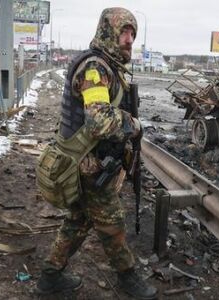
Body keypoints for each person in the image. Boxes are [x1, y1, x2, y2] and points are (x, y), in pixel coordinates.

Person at [36, 7, 158, 300]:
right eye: (123, 32)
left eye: (132, 33)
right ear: (108, 32)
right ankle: (128, 277)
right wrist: (135, 124)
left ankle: (50, 276)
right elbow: (99, 120)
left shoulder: (109, 65)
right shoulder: (95, 68)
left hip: (88, 161)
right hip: (85, 163)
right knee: (112, 221)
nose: (129, 39)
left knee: (79, 219)